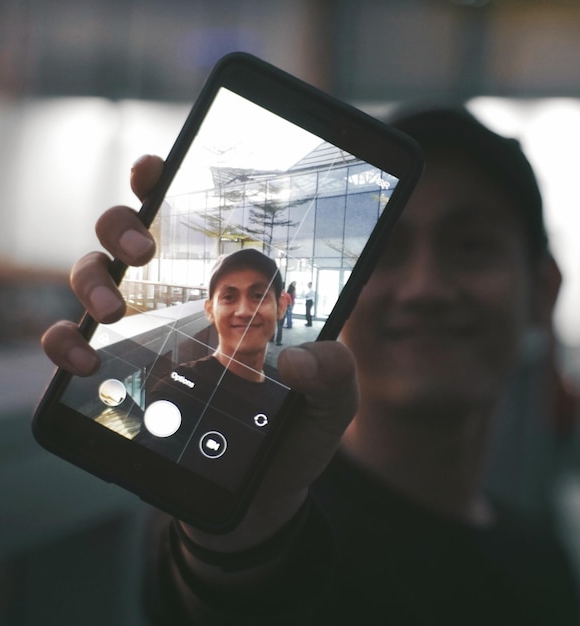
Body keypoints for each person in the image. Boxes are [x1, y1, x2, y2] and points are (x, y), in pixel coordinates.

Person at [41, 108, 579, 625]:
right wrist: (234, 542)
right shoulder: (272, 499)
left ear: (544, 289)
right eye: (387, 252)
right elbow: (221, 595)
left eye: (470, 246)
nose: (425, 289)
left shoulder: (545, 562)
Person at [135, 248, 289, 465]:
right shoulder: (178, 387)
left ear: (281, 306)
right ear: (209, 311)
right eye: (229, 297)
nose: (244, 311)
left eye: (258, 296)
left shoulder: (287, 389)